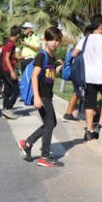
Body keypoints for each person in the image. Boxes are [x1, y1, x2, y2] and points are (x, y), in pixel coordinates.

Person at [17, 27, 65, 167]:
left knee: (50, 123)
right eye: (51, 39)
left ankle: (27, 143)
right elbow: (34, 76)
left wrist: (60, 65)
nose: (54, 43)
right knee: (50, 123)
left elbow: (50, 76)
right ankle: (44, 156)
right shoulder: (42, 56)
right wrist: (37, 97)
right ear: (45, 40)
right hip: (42, 95)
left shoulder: (50, 57)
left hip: (47, 94)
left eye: (57, 40)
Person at [72, 14, 102, 140]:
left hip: (88, 77)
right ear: (101, 26)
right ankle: (100, 125)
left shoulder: (85, 39)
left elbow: (74, 54)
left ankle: (89, 130)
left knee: (90, 103)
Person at [0, 25, 21, 120]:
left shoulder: (7, 42)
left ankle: (5, 110)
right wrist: (12, 72)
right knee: (16, 89)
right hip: (8, 70)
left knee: (8, 91)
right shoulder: (10, 44)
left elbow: (9, 57)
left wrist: (17, 58)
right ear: (18, 35)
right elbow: (6, 58)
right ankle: (8, 108)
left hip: (5, 69)